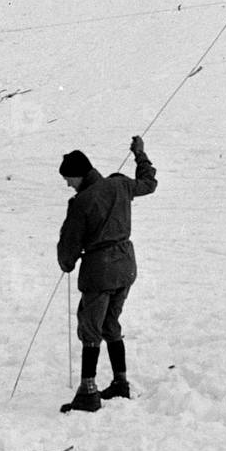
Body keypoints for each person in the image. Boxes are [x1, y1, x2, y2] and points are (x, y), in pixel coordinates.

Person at [56, 135, 157, 413]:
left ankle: (88, 393)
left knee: (90, 328)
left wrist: (66, 263)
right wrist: (140, 154)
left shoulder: (82, 202)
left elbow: (69, 246)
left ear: (79, 175)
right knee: (111, 323)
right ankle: (120, 383)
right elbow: (149, 184)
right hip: (126, 266)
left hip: (100, 272)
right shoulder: (121, 184)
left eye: (68, 178)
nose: (67, 184)